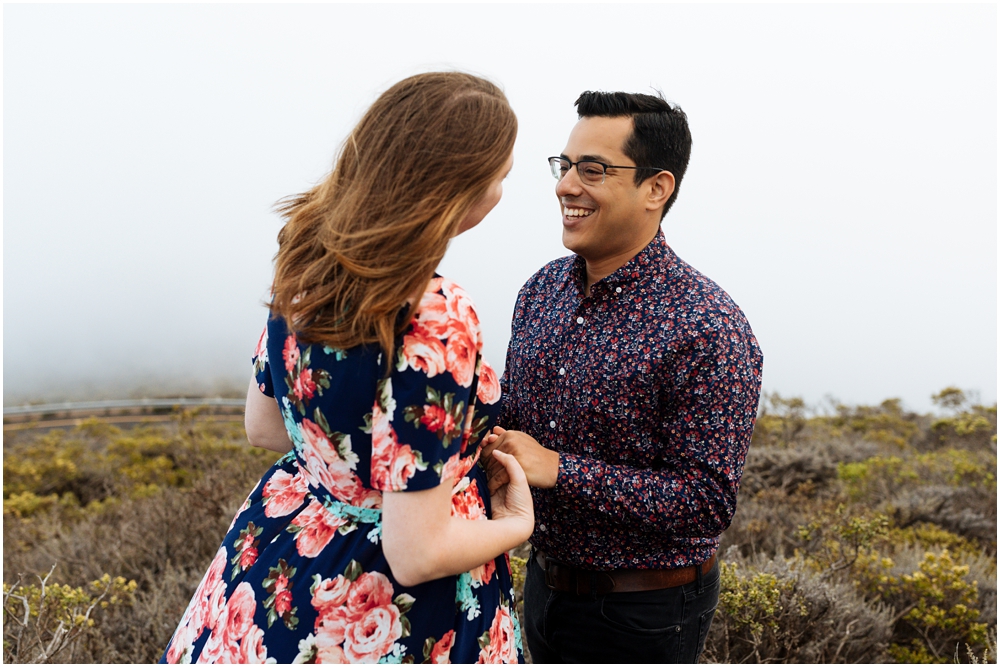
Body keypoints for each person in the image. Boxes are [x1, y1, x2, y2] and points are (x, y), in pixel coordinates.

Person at [161, 72, 533, 665]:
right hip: (384, 603)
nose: (501, 191)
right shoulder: (438, 315)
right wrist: (515, 524)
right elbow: (415, 552)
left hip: (282, 556)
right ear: (459, 189)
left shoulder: (305, 255)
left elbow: (265, 428)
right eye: (502, 177)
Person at [482, 91, 763, 663]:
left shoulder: (708, 325)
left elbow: (705, 502)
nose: (565, 185)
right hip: (541, 586)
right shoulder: (541, 291)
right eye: (565, 166)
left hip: (645, 615)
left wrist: (559, 469)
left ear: (656, 189)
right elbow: (513, 421)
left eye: (593, 169)